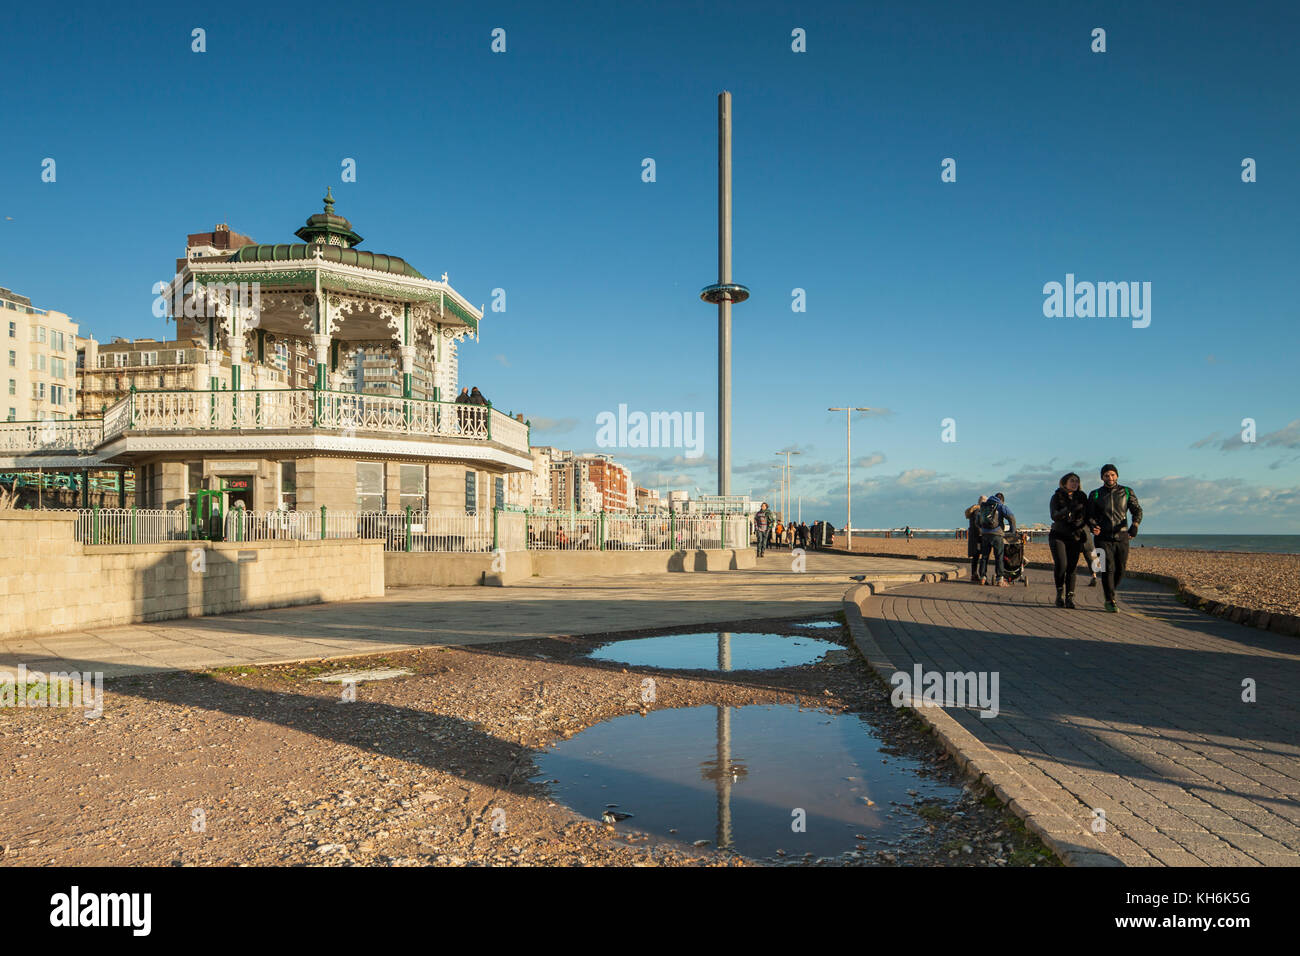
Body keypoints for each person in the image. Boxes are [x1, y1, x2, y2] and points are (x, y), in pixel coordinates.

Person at [1087, 464, 1143, 612]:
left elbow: (1137, 510)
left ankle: (1110, 590)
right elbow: (1089, 515)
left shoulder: (1126, 491)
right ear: (1102, 477)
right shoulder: (1095, 494)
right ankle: (1110, 600)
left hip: (1122, 536)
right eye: (1106, 475)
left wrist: (1135, 525)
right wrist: (1093, 526)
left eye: (1112, 474)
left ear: (1116, 475)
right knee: (1107, 568)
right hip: (1102, 537)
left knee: (1120, 570)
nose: (1109, 478)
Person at [1049, 473, 1090, 608]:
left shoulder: (1082, 497)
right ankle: (1059, 594)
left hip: (1075, 536)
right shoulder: (1057, 496)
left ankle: (1069, 598)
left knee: (1072, 568)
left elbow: (1088, 515)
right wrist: (1068, 510)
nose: (1074, 483)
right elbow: (1054, 516)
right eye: (1072, 481)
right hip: (1058, 534)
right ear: (1064, 482)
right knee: (1062, 565)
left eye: (1077, 481)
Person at [975, 492, 1017, 586]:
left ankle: (982, 577)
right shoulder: (1000, 506)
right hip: (997, 534)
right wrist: (1012, 531)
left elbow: (977, 521)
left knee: (984, 557)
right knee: (999, 557)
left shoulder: (984, 505)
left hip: (985, 534)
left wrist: (983, 529)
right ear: (1002, 499)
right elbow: (1011, 517)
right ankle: (999, 579)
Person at [964, 496, 987, 583]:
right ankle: (977, 574)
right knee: (980, 555)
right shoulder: (978, 511)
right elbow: (978, 525)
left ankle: (974, 574)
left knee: (975, 556)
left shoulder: (973, 510)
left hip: (973, 537)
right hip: (978, 537)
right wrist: (983, 534)